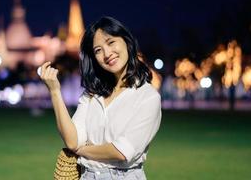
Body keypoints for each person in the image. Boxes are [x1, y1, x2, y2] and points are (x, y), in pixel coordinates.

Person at [39, 16, 161, 179]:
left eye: (111, 42)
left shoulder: (147, 96)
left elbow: (122, 151)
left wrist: (81, 151)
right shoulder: (91, 95)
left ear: (126, 42)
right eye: (98, 50)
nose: (107, 54)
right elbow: (72, 141)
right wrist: (55, 91)